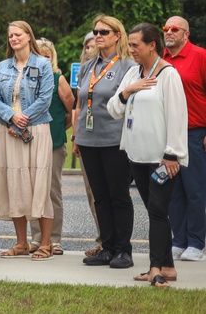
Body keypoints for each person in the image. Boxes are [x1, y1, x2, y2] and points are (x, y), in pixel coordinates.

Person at [107, 23, 189, 287]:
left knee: (156, 209)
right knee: (157, 211)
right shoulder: (132, 73)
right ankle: (168, 267)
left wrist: (172, 155)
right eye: (129, 45)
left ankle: (154, 268)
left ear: (152, 45)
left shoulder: (168, 75)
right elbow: (113, 109)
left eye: (135, 45)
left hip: (162, 159)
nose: (131, 50)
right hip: (137, 157)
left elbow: (178, 117)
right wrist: (129, 90)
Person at [0, 21, 55, 260]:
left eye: (18, 34)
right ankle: (22, 243)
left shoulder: (42, 64)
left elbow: (45, 98)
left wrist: (22, 119)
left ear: (28, 37)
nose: (13, 38)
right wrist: (11, 117)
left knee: (39, 184)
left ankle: (45, 243)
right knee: (15, 184)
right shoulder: (3, 66)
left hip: (36, 129)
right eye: (10, 35)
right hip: (9, 131)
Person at [74, 15, 136, 269]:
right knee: (100, 196)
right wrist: (76, 137)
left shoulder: (128, 66)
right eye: (95, 31)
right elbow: (81, 102)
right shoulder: (90, 66)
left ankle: (124, 250)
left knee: (118, 195)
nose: (98, 36)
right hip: (89, 140)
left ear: (117, 35)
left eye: (104, 32)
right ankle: (107, 248)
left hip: (115, 140)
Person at [162, 15, 206, 262]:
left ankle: (197, 243)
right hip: (168, 135)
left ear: (186, 34)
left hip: (194, 133)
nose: (168, 32)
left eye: (174, 29)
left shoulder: (200, 56)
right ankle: (179, 240)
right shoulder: (162, 60)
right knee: (172, 190)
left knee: (195, 190)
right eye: (165, 28)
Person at [30, 38, 75, 255]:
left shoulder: (59, 79)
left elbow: (70, 111)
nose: (43, 59)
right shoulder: (28, 79)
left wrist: (57, 129)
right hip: (30, 143)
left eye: (47, 56)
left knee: (52, 192)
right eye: (39, 55)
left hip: (54, 144)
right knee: (33, 192)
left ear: (52, 57)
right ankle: (37, 238)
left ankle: (54, 239)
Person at [76, 30, 103, 258]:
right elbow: (78, 106)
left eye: (93, 44)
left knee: (110, 194)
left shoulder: (122, 67)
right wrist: (76, 136)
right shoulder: (85, 71)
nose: (90, 49)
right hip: (86, 136)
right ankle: (102, 239)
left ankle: (112, 241)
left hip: (109, 140)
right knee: (91, 193)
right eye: (86, 46)